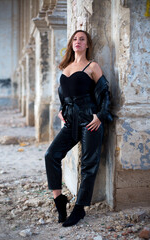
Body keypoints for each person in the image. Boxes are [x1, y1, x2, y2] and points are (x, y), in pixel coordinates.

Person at [45, 30, 113, 227]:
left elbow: (105, 93)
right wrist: (61, 110)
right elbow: (65, 95)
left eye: (82, 39)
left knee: (88, 164)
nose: (78, 42)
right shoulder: (66, 67)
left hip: (89, 118)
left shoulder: (92, 66)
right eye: (75, 39)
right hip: (70, 120)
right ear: (71, 44)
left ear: (87, 44)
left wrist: (100, 116)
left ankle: (79, 209)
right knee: (51, 155)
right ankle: (59, 200)